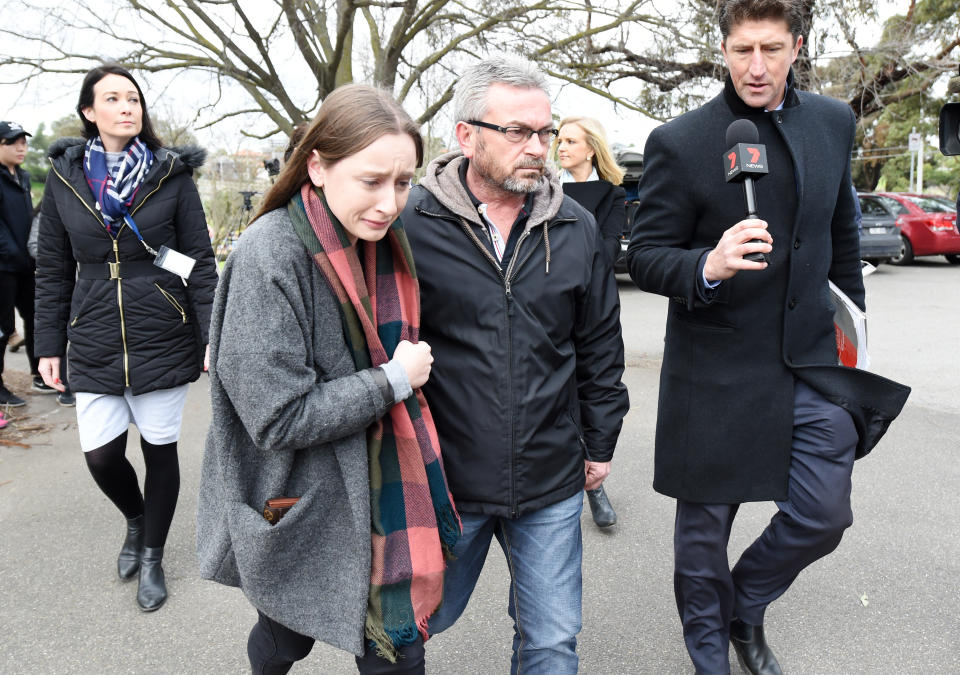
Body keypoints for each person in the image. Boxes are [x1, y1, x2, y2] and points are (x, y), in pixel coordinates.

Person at [626, 2, 911, 673]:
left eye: (772, 50)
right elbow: (645, 255)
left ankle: (744, 605)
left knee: (823, 513)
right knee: (702, 544)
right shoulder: (683, 140)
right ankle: (710, 660)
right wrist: (708, 263)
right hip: (714, 371)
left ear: (797, 46)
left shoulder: (833, 122)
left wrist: (854, 342)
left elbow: (842, 239)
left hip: (810, 361)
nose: (757, 67)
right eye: (743, 50)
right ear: (722, 49)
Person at [196, 84, 460, 674]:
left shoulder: (383, 241)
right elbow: (278, 417)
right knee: (285, 636)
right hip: (299, 495)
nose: (390, 202)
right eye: (371, 181)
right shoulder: (269, 255)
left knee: (396, 652)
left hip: (381, 494)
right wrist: (393, 380)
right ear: (316, 166)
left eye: (403, 182)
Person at [402, 57, 630, 673]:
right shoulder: (409, 225)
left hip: (551, 477)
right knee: (409, 628)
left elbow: (600, 347)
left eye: (545, 131)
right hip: (447, 480)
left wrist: (599, 440)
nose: (538, 147)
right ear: (466, 135)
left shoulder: (576, 227)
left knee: (552, 643)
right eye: (517, 132)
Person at [34, 64, 218, 611]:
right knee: (101, 456)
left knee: (161, 450)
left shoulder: (171, 174)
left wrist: (212, 333)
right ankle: (134, 520)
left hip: (161, 324)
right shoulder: (66, 178)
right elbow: (51, 267)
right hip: (91, 331)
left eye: (133, 98)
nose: (127, 106)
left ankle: (154, 556)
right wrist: (48, 344)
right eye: (112, 98)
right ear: (89, 112)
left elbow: (200, 262)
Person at [555, 115, 627, 528]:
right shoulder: (545, 190)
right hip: (552, 302)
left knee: (594, 384)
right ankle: (569, 482)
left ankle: (594, 484)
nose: (561, 148)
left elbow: (607, 248)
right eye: (559, 141)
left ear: (591, 148)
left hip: (596, 304)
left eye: (570, 141)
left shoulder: (613, 196)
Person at [0, 120, 51, 406]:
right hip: (4, 266)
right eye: (12, 142)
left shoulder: (23, 176)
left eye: (24, 142)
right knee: (4, 327)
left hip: (26, 264)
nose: (21, 147)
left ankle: (41, 373)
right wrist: (13, 253)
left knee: (36, 318)